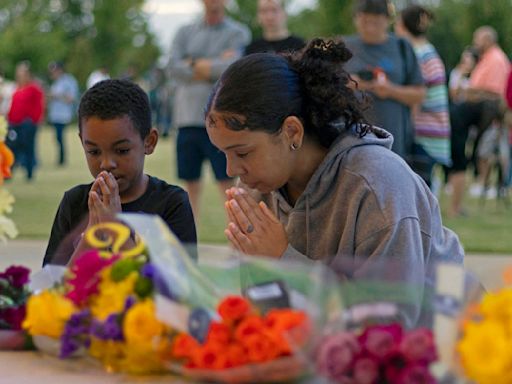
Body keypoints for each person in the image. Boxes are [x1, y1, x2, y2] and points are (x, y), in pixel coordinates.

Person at [204, 38, 464, 326]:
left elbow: (388, 324)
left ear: (292, 131)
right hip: (323, 354)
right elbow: (266, 315)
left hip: (440, 346)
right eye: (223, 153)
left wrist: (285, 260)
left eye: (242, 152)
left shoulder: (378, 186)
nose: (232, 169)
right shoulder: (256, 190)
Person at [43, 79, 197, 266]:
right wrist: (93, 232)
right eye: (94, 151)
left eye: (122, 150)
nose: (106, 164)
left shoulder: (172, 204)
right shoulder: (74, 202)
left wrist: (116, 231)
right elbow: (54, 288)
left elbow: (178, 290)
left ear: (149, 142)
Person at [169, 0, 250, 223]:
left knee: (227, 185)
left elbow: (232, 68)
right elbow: (173, 68)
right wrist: (212, 66)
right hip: (187, 119)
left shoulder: (238, 32)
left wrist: (192, 63)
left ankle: (237, 244)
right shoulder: (184, 32)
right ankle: (190, 241)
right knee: (190, 185)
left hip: (222, 119)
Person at [344, 0, 425, 160]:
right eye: (365, 20)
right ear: (356, 18)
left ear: (387, 20)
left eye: (375, 21)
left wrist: (390, 90)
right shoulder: (344, 46)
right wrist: (349, 85)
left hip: (394, 144)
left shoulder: (402, 47)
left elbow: (420, 94)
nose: (370, 26)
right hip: (350, 142)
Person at [448, 26, 510, 216]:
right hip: (470, 115)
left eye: (478, 39)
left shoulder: (496, 60)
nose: (475, 43)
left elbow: (494, 92)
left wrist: (469, 93)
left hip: (479, 118)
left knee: (477, 154)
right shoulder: (487, 59)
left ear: (488, 40)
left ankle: (479, 184)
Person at [394, 5, 451, 187]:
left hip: (422, 136)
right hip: (434, 135)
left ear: (402, 26)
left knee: (418, 197)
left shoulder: (417, 55)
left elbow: (416, 99)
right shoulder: (428, 51)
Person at [6, 61, 44, 181]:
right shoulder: (17, 88)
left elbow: (39, 106)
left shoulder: (34, 88)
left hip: (27, 123)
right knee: (12, 147)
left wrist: (34, 120)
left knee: (28, 147)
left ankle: (29, 172)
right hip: (14, 123)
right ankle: (8, 172)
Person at [47, 61, 80, 166]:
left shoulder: (68, 81)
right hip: (55, 114)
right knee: (57, 138)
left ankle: (62, 159)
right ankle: (60, 158)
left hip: (63, 114)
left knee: (60, 137)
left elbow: (72, 98)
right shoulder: (55, 83)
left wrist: (58, 96)